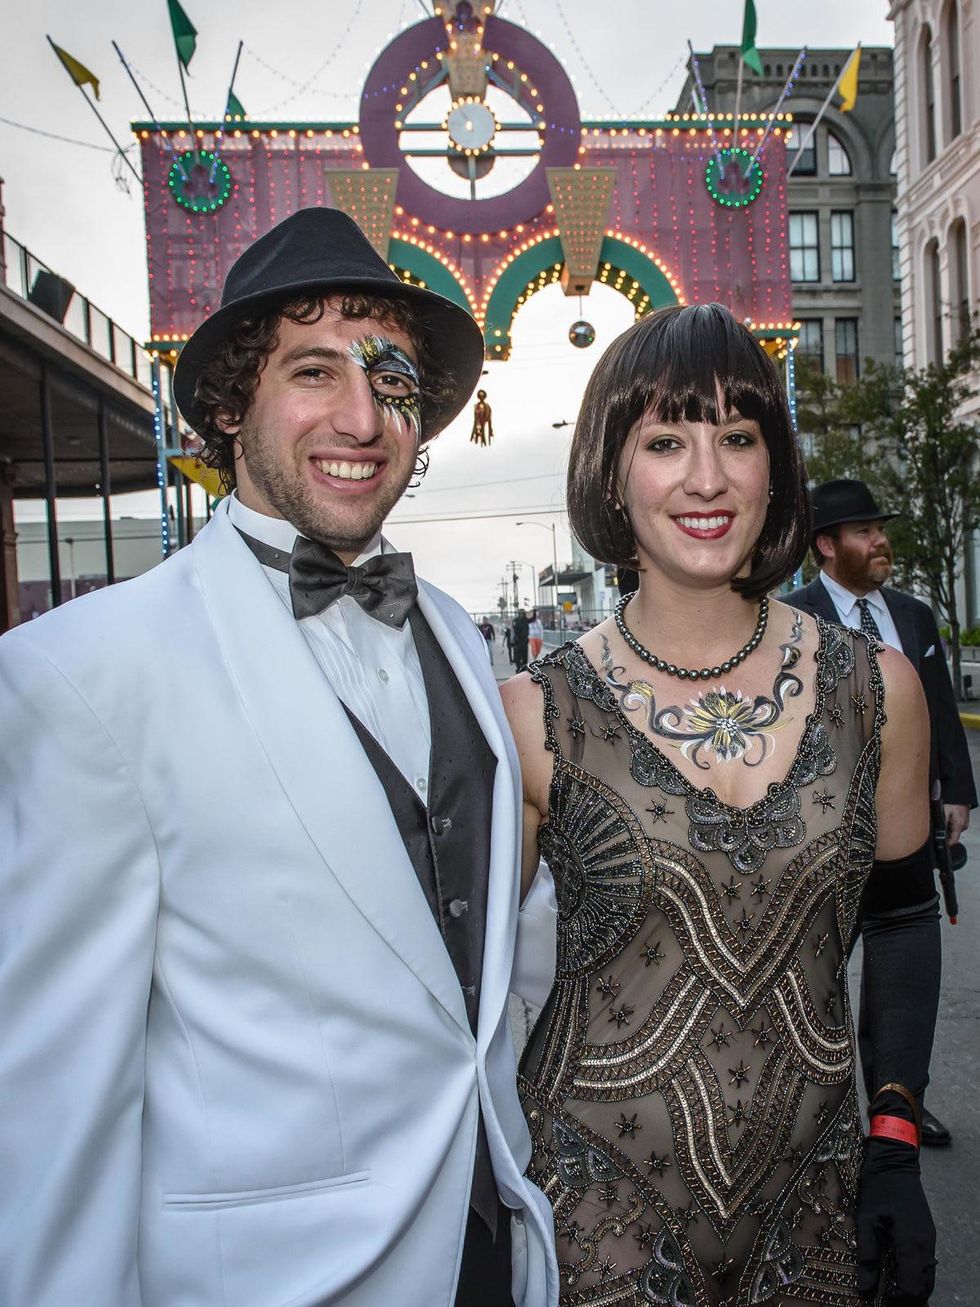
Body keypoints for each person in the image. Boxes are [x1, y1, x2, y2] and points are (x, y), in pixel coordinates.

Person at [0, 208, 558, 1307]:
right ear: (228, 405)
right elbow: (57, 1109)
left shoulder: (455, 628)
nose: (360, 414)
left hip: (490, 1245)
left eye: (389, 375)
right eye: (312, 370)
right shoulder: (83, 672)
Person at [502, 303, 940, 1305]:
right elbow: (462, 994)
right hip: (590, 1221)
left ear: (773, 465)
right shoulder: (532, 716)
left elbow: (905, 918)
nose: (706, 477)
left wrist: (894, 1137)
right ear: (610, 470)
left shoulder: (876, 690)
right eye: (664, 440)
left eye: (736, 437)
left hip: (814, 1214)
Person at [786, 478, 977, 1148]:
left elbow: (940, 705)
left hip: (908, 831)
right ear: (827, 546)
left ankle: (900, 1103)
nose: (881, 541)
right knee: (815, 978)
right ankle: (809, 1116)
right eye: (865, 531)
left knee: (903, 980)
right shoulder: (791, 619)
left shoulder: (914, 615)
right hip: (823, 836)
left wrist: (957, 788)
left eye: (880, 528)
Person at [513, 608, 530, 672]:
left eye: (522, 613)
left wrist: (533, 612)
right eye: (520, 613)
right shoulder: (515, 621)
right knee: (517, 656)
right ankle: (518, 668)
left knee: (525, 656)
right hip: (518, 641)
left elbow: (532, 618)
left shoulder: (526, 620)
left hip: (524, 641)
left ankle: (524, 668)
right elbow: (515, 630)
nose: (521, 615)